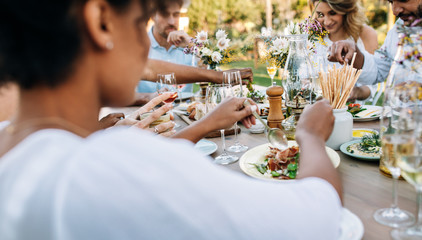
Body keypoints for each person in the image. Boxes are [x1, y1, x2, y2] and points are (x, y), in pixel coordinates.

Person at [0, 1, 342, 239]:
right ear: (101, 20)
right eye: (139, 22)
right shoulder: (106, 167)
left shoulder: (13, 149)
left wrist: (204, 122)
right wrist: (309, 136)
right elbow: (317, 220)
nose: (144, 47)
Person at [327, 0, 422, 85]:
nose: (395, 11)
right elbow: (379, 72)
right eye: (391, 2)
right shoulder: (399, 28)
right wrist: (355, 53)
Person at [310, 0, 378, 101]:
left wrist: (355, 92)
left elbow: (372, 82)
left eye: (332, 13)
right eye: (320, 14)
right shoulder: (312, 37)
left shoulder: (366, 34)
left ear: (345, 10)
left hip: (351, 111)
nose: (327, 22)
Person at [136, 0, 194, 94]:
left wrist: (193, 46)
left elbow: (217, 77)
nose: (171, 21)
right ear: (152, 15)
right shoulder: (137, 47)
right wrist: (148, 98)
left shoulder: (189, 47)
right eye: (165, 14)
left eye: (176, 14)